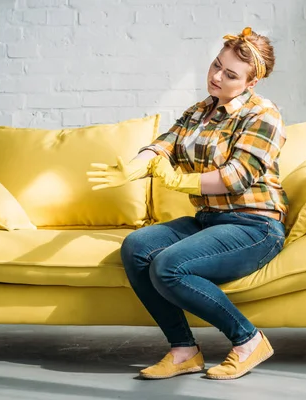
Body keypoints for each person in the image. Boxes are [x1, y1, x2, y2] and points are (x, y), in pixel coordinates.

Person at [87, 27, 288, 380]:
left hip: (255, 226)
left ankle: (248, 340)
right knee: (137, 246)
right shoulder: (200, 111)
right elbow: (164, 145)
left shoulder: (263, 114)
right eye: (216, 65)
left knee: (168, 266)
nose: (216, 77)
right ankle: (184, 351)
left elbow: (238, 176)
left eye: (230, 75)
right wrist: (134, 167)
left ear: (251, 82)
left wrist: (180, 180)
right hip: (210, 218)